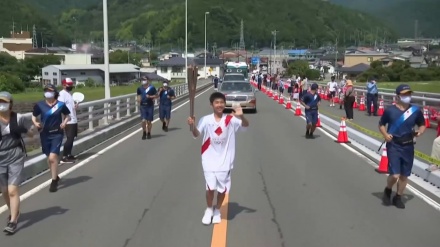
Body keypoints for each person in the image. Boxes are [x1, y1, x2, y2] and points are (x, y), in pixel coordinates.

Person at [187, 92, 249, 225]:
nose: (219, 105)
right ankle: (209, 209)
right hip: (208, 159)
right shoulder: (206, 120)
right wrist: (192, 126)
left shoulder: (230, 119)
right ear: (211, 105)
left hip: (225, 160)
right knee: (210, 188)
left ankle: (217, 210)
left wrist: (241, 116)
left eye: (221, 102)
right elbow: (196, 134)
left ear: (224, 104)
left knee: (222, 189)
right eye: (216, 102)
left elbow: (245, 126)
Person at [378, 84, 425, 209]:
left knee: (404, 175)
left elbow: (422, 124)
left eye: (409, 94)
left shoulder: (415, 110)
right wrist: (385, 134)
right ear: (398, 96)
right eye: (404, 94)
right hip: (394, 145)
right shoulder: (390, 111)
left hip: (408, 146)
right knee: (395, 175)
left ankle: (398, 197)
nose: (407, 96)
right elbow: (381, 124)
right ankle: (388, 190)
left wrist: (420, 131)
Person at [0, 91, 34, 234]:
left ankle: (13, 220)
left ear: (11, 104)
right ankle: (15, 212)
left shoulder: (19, 118)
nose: (2, 105)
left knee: (13, 190)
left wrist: (24, 130)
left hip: (15, 155)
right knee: (5, 191)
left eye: (4, 102)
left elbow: (32, 133)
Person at [32, 84, 71, 193]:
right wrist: (36, 123)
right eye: (46, 90)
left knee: (53, 157)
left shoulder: (60, 105)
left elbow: (68, 116)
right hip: (44, 134)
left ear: (54, 93)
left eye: (50, 91)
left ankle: (54, 181)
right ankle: (56, 176)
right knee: (49, 157)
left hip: (57, 134)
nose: (47, 92)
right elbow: (34, 116)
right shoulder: (39, 105)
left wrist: (64, 123)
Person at [57, 78, 78, 163]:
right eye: (68, 84)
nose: (70, 86)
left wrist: (75, 107)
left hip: (73, 118)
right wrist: (64, 120)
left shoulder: (69, 94)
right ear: (64, 85)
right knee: (69, 138)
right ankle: (64, 156)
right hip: (68, 120)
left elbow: (69, 107)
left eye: (71, 84)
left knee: (72, 137)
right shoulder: (62, 94)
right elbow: (60, 107)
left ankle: (69, 154)